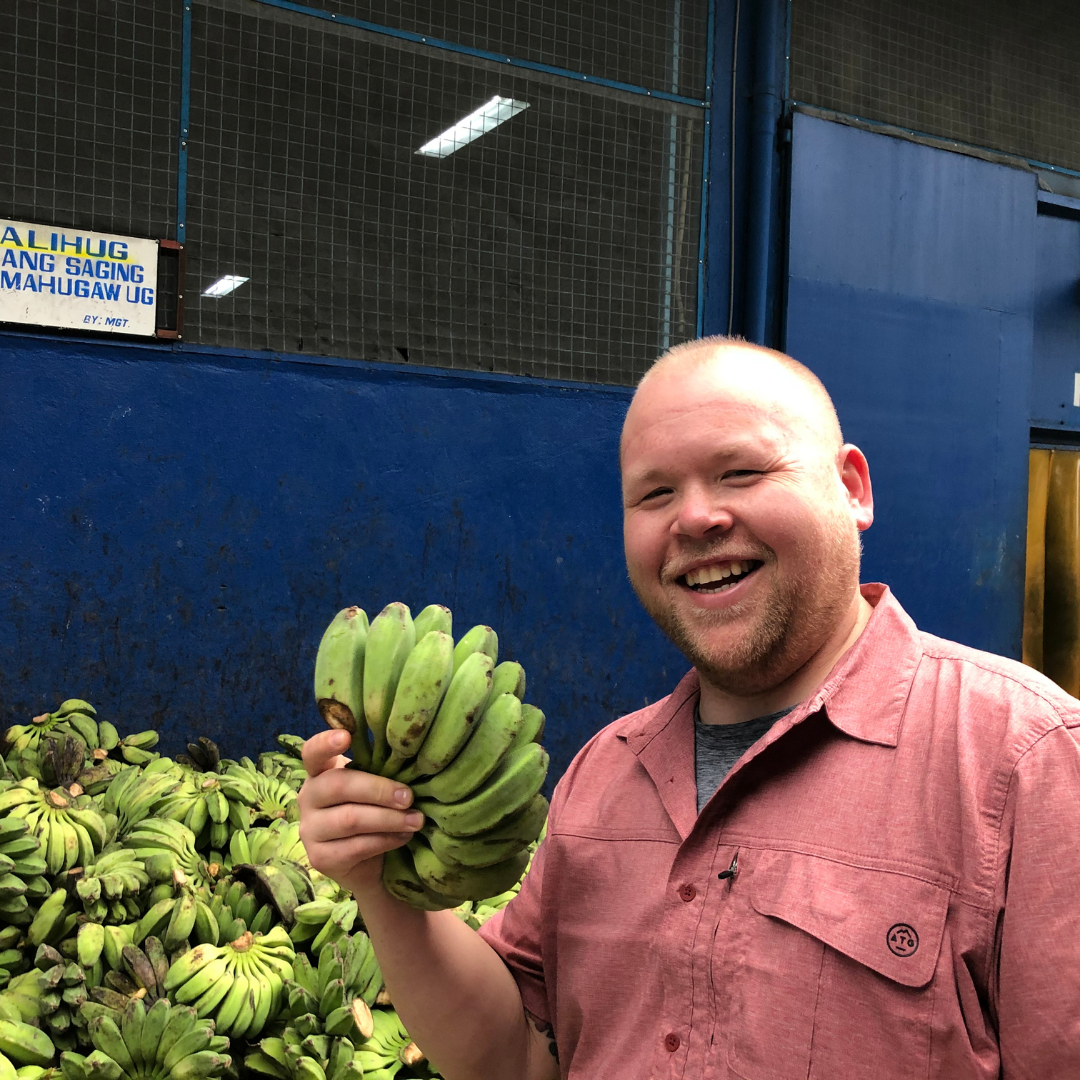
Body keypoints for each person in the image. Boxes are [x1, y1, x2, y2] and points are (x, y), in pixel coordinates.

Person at [298, 338, 1080, 1080]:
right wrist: (378, 883)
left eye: (740, 473)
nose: (695, 518)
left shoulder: (1023, 759)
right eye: (656, 493)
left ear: (851, 488)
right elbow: (513, 1057)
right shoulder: (605, 772)